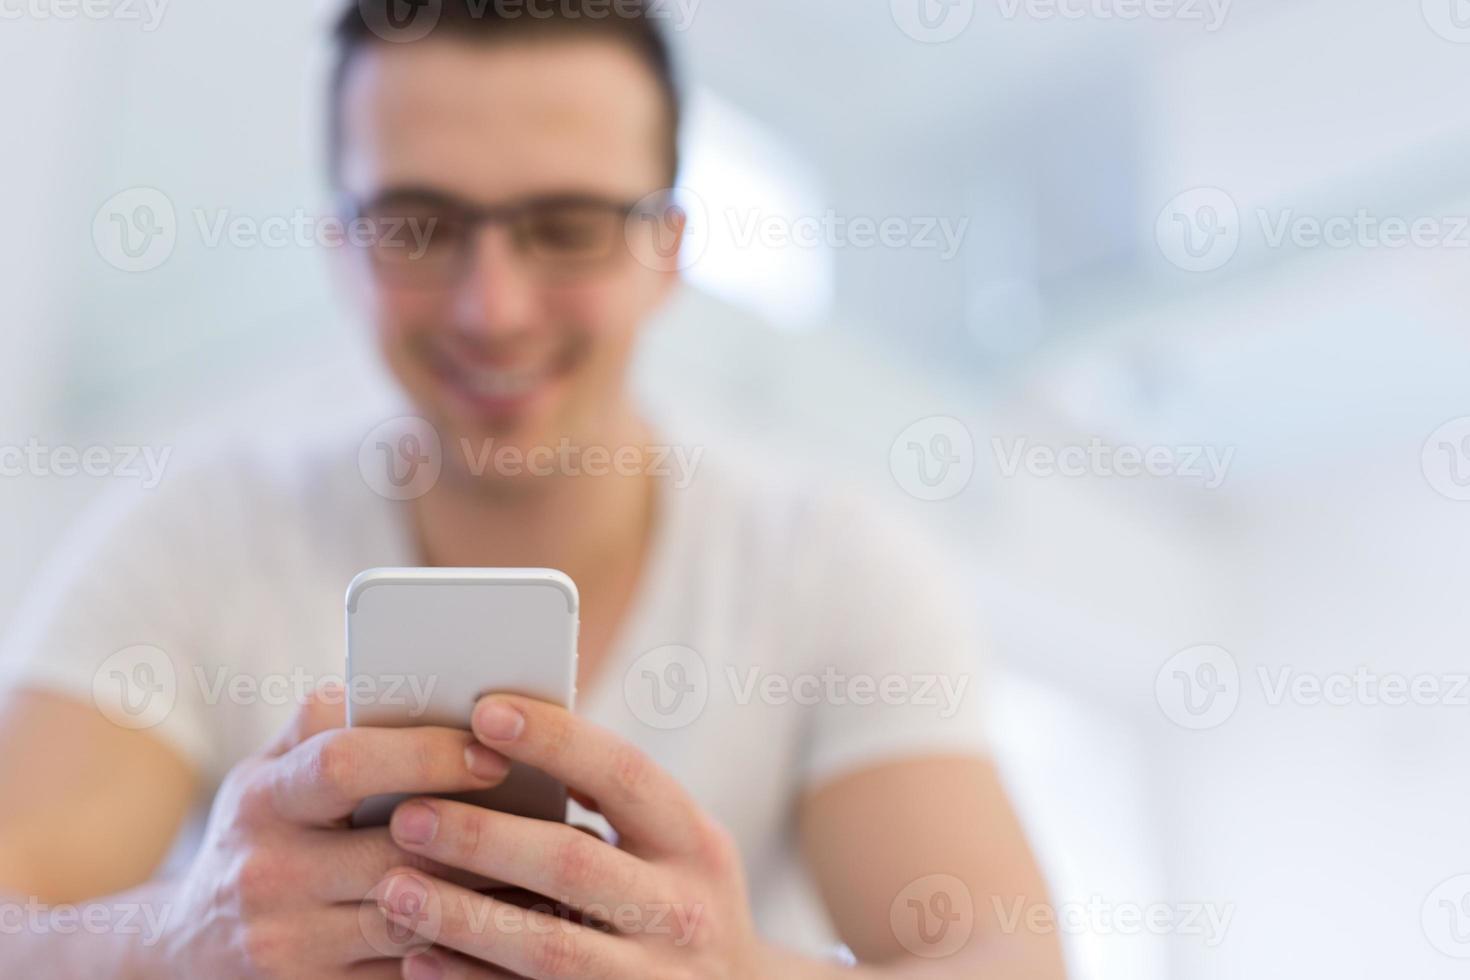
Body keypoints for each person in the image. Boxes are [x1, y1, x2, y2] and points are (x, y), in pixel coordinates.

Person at [0, 2, 1064, 976]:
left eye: (565, 226)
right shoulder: (204, 535)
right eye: (421, 225)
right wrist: (179, 936)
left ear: (668, 250)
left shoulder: (829, 565)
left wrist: (735, 967)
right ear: (344, 248)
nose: (493, 307)